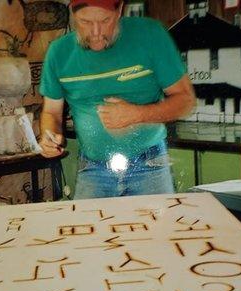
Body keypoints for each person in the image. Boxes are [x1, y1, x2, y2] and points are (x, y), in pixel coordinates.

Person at [39, 0, 196, 199]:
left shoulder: (150, 35)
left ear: (119, 10)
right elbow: (51, 112)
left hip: (150, 165)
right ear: (72, 14)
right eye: (85, 21)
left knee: (158, 230)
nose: (96, 31)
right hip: (92, 169)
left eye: (105, 20)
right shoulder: (59, 52)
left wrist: (138, 114)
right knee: (90, 231)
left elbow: (186, 100)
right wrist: (49, 136)